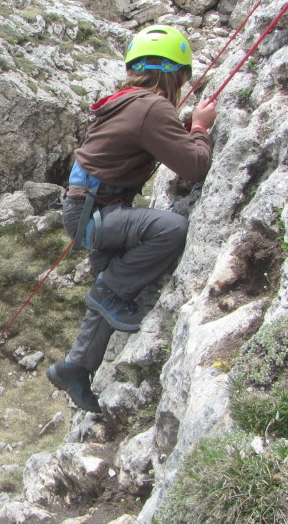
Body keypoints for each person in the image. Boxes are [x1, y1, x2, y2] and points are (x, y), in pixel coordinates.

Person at [47, 25, 218, 414]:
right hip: (98, 214)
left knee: (111, 295)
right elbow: (194, 166)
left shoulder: (125, 101)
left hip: (87, 210)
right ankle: (108, 294)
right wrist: (200, 128)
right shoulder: (152, 107)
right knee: (170, 230)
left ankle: (75, 366)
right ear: (176, 75)